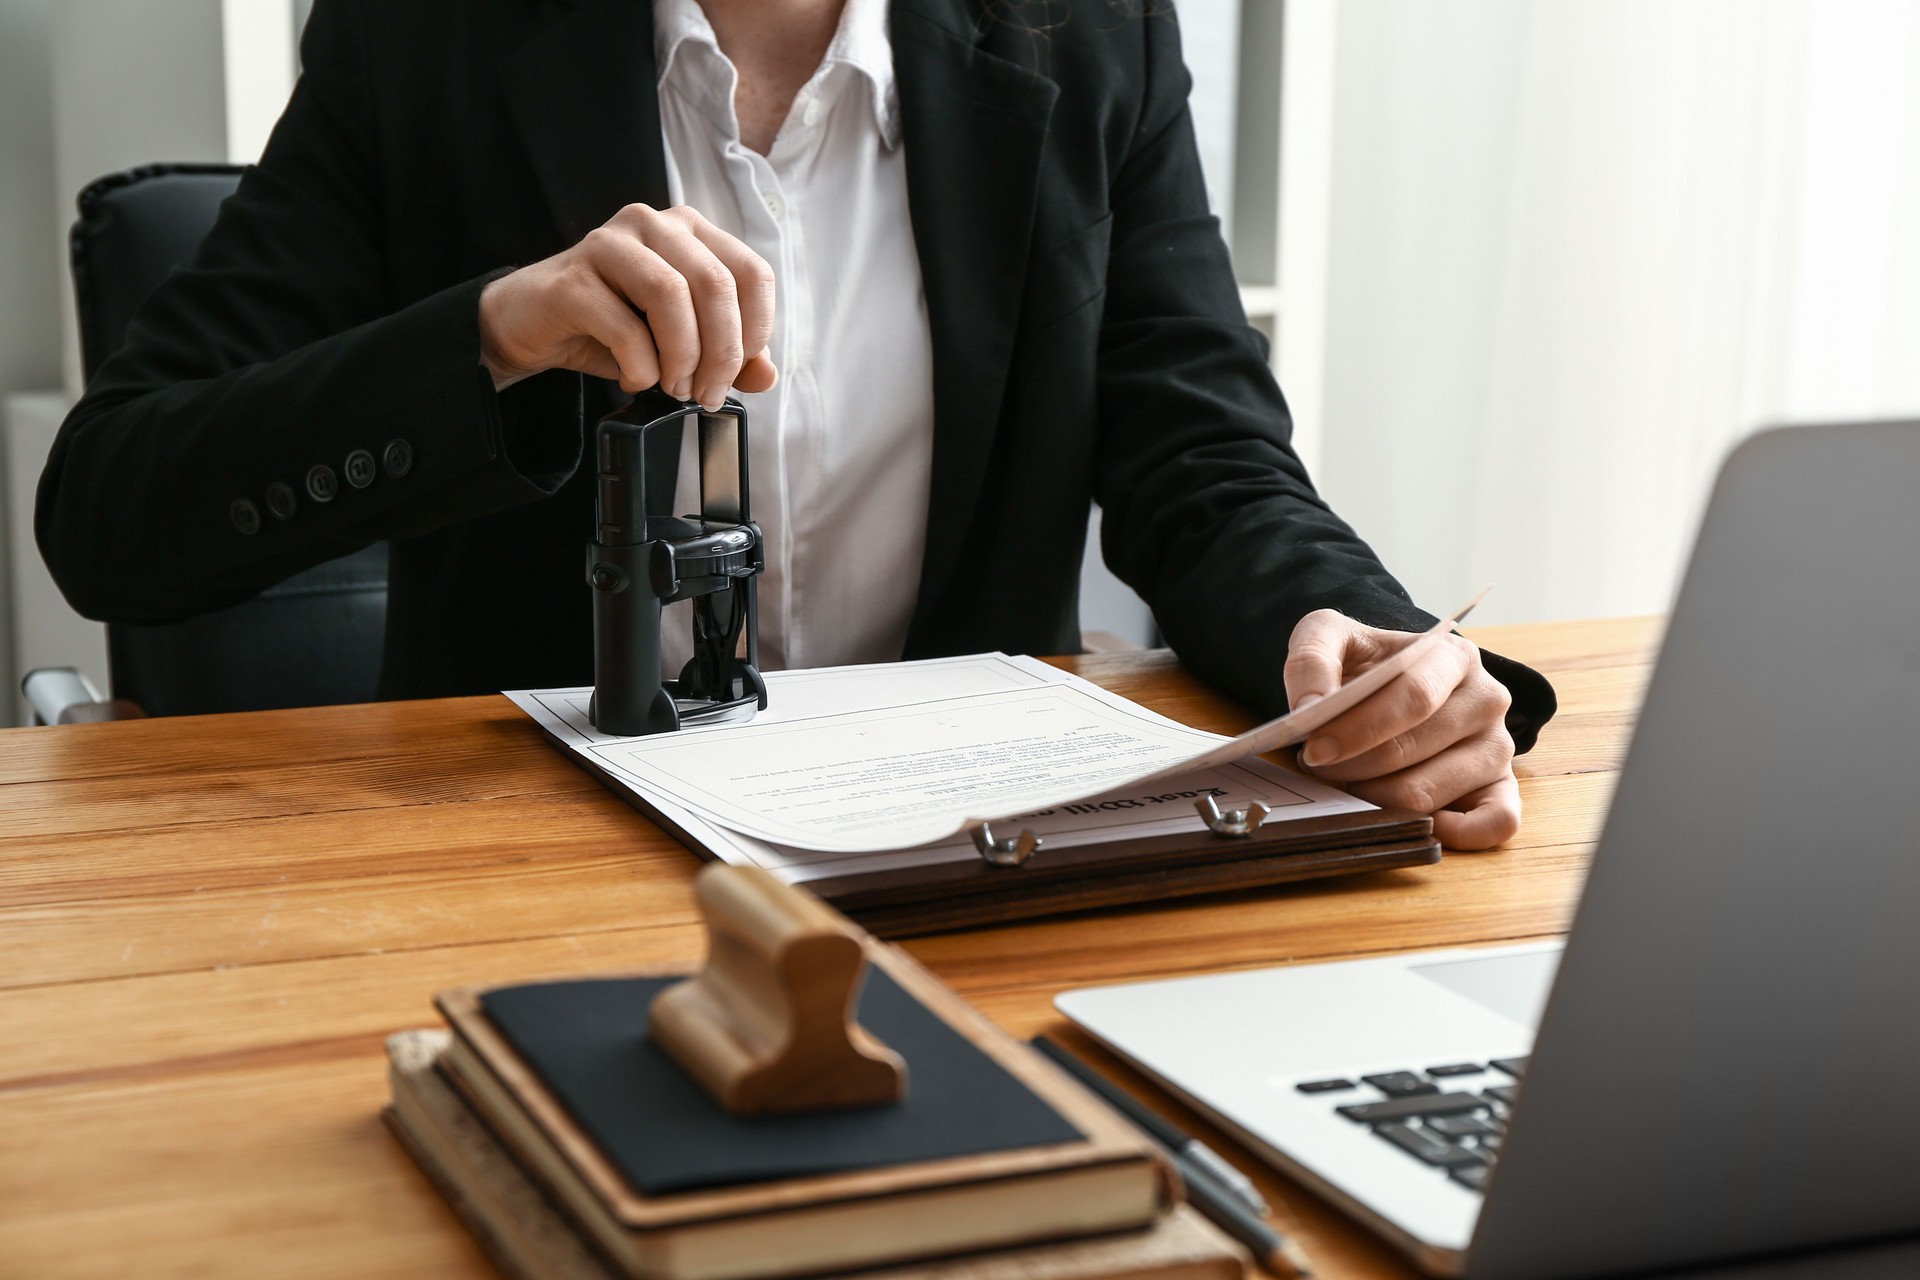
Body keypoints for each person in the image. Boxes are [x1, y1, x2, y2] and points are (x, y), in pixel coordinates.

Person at [36, 0, 1554, 848]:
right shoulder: (424, 34)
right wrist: (491, 335)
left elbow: (1201, 452)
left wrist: (1349, 637)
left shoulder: (1089, 31)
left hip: (977, 855)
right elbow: (113, 508)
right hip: (537, 867)